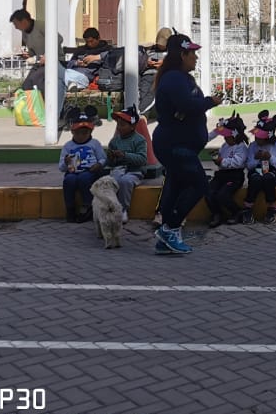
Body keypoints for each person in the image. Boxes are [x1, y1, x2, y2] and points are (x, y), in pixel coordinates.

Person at [151, 32, 222, 256]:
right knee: (199, 184)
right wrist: (209, 102)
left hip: (180, 144)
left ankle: (166, 238)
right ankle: (170, 228)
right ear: (182, 54)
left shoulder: (181, 78)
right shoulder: (174, 79)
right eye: (192, 53)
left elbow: (187, 106)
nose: (196, 57)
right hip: (175, 145)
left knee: (177, 183)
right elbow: (186, 104)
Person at [58, 105, 106, 222]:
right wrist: (66, 162)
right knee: (69, 180)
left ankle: (87, 207)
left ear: (90, 131)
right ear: (72, 132)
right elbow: (61, 167)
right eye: (78, 133)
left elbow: (103, 158)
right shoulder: (68, 146)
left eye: (85, 133)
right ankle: (70, 209)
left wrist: (99, 165)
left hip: (90, 171)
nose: (81, 136)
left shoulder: (94, 143)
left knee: (84, 179)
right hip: (73, 172)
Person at [240, 112, 276, 224]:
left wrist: (270, 158)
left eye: (260, 137)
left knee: (268, 178)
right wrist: (256, 159)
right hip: (257, 169)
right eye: (256, 135)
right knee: (255, 179)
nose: (256, 138)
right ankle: (248, 207)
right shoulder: (253, 146)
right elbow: (249, 166)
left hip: (273, 170)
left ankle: (272, 207)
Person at [105, 104, 148, 222]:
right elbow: (109, 163)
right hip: (118, 169)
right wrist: (110, 158)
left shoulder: (139, 140)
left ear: (133, 126)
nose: (119, 127)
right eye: (118, 124)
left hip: (135, 171)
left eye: (122, 125)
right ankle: (111, 209)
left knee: (125, 181)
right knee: (113, 180)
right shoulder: (114, 141)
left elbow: (142, 159)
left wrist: (125, 155)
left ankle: (123, 209)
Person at [10, 8, 65, 98]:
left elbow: (58, 38)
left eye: (16, 24)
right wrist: (28, 54)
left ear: (24, 21)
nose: (16, 27)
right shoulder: (24, 33)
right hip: (40, 64)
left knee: (36, 79)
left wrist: (48, 56)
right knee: (27, 84)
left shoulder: (42, 26)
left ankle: (44, 102)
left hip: (56, 62)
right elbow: (33, 51)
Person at [207, 114, 249, 227]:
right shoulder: (225, 145)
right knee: (209, 192)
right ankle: (217, 214)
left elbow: (238, 162)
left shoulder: (241, 147)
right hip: (222, 174)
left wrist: (222, 161)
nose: (225, 138)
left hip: (235, 176)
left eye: (227, 136)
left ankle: (236, 212)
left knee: (223, 195)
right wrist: (218, 160)